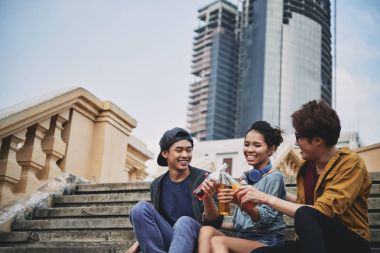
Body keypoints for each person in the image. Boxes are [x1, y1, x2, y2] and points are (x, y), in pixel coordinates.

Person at [240, 100, 371, 253]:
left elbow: (320, 211)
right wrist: (271, 192)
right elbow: (304, 204)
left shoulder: (350, 163)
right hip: (313, 243)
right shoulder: (307, 167)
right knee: (260, 252)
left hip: (349, 244)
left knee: (305, 213)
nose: (296, 143)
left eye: (299, 137)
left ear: (317, 140)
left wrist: (265, 198)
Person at [126, 127, 223, 253]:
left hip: (197, 240)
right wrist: (139, 242)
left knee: (184, 222)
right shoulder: (157, 184)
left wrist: (207, 198)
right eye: (179, 150)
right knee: (139, 208)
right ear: (165, 153)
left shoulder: (204, 178)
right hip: (171, 240)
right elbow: (156, 224)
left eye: (189, 150)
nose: (185, 155)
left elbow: (215, 224)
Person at [197, 121, 287, 253]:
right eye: (246, 144)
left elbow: (266, 220)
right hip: (244, 239)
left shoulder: (274, 177)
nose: (249, 149)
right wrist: (214, 220)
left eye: (256, 145)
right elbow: (240, 224)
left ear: (271, 149)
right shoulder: (245, 178)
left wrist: (243, 203)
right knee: (206, 230)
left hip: (266, 241)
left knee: (218, 240)